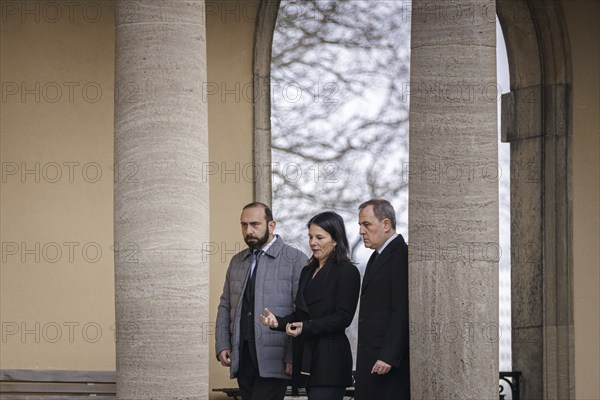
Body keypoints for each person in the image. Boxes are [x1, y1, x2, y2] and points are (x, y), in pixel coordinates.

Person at [260, 211, 361, 400]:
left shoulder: (348, 271)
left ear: (336, 239)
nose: (313, 242)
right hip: (307, 358)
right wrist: (278, 323)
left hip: (330, 360)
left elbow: (343, 318)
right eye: (310, 236)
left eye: (319, 237)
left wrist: (305, 327)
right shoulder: (308, 271)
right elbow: (301, 314)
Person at [215, 202, 307, 400]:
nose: (249, 231)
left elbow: (301, 312)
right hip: (244, 357)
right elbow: (225, 305)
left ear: (271, 225)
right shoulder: (237, 261)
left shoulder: (295, 259)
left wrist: (292, 355)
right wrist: (223, 344)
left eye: (255, 224)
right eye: (244, 225)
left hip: (276, 359)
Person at [355, 199, 410, 400]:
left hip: (388, 365)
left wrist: (389, 355)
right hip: (372, 360)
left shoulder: (400, 254)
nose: (361, 231)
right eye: (360, 225)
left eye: (366, 224)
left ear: (386, 224)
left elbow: (401, 308)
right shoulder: (376, 256)